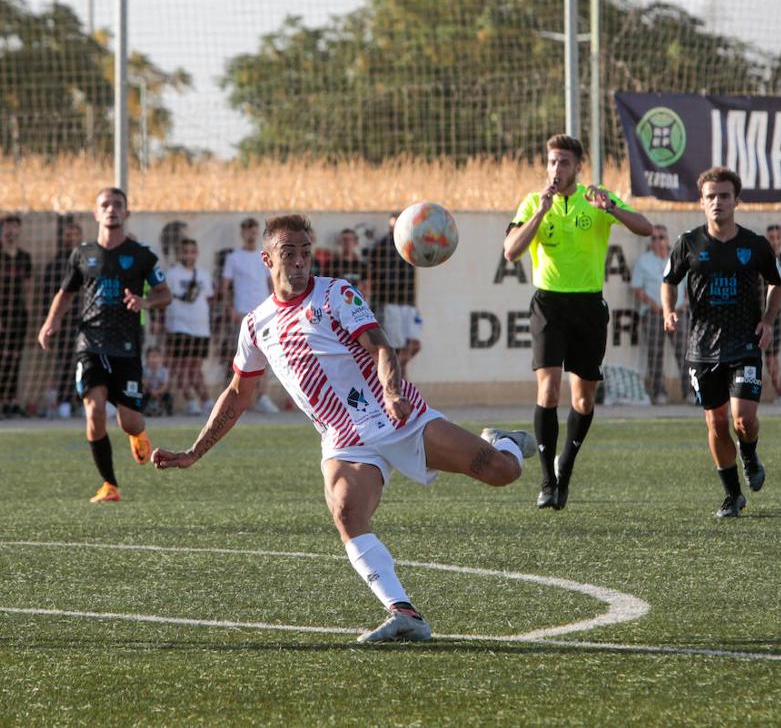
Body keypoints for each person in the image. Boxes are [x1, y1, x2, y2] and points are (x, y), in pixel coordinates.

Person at [151, 214, 535, 643]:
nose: (298, 263)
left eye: (304, 253)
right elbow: (239, 392)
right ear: (266, 259)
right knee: (347, 512)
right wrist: (195, 450)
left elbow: (380, 346)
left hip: (395, 420)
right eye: (287, 254)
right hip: (343, 440)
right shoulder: (255, 325)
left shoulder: (336, 294)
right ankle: (404, 612)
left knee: (502, 473)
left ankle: (505, 442)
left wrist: (391, 392)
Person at [503, 133, 653, 511]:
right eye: (552, 161)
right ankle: (547, 482)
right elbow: (510, 251)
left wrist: (612, 208)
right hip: (548, 305)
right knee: (549, 391)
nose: (557, 168)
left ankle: (564, 468)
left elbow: (645, 227)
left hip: (588, 306)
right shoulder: (534, 202)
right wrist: (540, 210)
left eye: (564, 162)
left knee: (583, 399)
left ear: (577, 166)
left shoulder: (595, 198)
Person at [37, 187, 171, 502]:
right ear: (96, 213)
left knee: (129, 420)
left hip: (126, 347)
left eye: (117, 205)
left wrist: (145, 302)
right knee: (94, 410)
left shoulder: (142, 255)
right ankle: (109, 484)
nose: (111, 209)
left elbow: (165, 294)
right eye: (105, 205)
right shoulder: (82, 254)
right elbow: (66, 292)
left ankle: (137, 433)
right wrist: (51, 322)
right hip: (90, 342)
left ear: (126, 213)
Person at [662, 167, 780, 518]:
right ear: (701, 202)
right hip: (702, 348)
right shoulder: (689, 243)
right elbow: (669, 280)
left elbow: (777, 282)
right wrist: (669, 310)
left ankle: (749, 452)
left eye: (724, 196)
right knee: (715, 423)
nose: (718, 202)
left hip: (744, 343)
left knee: (743, 419)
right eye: (711, 196)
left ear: (736, 201)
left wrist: (769, 321)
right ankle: (733, 496)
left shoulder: (755, 245)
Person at [221, 217, 280, 413]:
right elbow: (225, 286)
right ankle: (239, 399)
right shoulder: (233, 257)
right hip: (242, 315)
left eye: (254, 230)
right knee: (240, 359)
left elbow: (272, 285)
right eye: (247, 230)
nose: (251, 234)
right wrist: (230, 309)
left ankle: (262, 396)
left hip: (264, 315)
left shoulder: (263, 256)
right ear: (242, 233)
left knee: (266, 356)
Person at [0, 215, 34, 417]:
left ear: (19, 231)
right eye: (7, 228)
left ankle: (12, 402)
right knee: (0, 358)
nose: (11, 232)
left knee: (15, 358)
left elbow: (29, 289)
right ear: (1, 232)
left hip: (18, 315)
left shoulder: (24, 258)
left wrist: (29, 316)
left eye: (14, 228)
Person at [631, 224, 688, 405]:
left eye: (661, 237)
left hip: (678, 313)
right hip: (655, 313)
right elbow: (637, 288)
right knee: (655, 354)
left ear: (667, 239)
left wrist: (684, 304)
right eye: (654, 238)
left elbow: (689, 286)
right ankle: (659, 392)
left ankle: (690, 392)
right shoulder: (643, 261)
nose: (657, 241)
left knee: (685, 353)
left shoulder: (679, 258)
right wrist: (654, 305)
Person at [165, 237, 216, 415]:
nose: (188, 255)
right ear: (179, 253)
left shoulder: (203, 274)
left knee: (196, 367)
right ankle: (190, 400)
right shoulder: (171, 274)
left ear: (197, 253)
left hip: (201, 327)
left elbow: (209, 297)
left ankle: (206, 401)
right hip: (179, 325)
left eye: (192, 251)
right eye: (185, 251)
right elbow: (164, 298)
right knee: (180, 366)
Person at [367, 214, 423, 376]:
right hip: (391, 303)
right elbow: (375, 274)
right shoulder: (383, 246)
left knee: (415, 344)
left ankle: (394, 374)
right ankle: (399, 383)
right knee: (395, 347)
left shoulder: (411, 244)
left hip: (409, 303)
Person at [42, 217, 84, 419]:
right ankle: (65, 402)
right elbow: (47, 296)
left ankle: (84, 401)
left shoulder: (90, 263)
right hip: (64, 324)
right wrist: (50, 320)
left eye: (74, 234)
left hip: (86, 322)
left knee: (86, 363)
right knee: (65, 363)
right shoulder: (55, 265)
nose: (71, 238)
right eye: (68, 235)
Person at [762, 224, 781, 402]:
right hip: (770, 315)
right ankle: (780, 392)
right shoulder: (762, 261)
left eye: (778, 237)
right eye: (771, 237)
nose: (775, 241)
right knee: (771, 356)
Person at [326, 227, 371, 300]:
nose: (347, 242)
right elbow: (327, 288)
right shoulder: (332, 265)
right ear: (340, 242)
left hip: (357, 304)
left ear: (355, 242)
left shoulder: (362, 266)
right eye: (344, 240)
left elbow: (366, 289)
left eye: (350, 239)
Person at [142, 345, 173, 417]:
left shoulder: (164, 371)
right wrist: (151, 391)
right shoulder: (144, 370)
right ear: (147, 358)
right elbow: (143, 382)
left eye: (156, 357)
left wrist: (158, 392)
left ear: (160, 358)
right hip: (148, 392)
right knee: (141, 397)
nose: (153, 359)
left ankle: (169, 412)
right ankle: (142, 411)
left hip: (160, 392)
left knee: (169, 396)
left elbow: (165, 385)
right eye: (151, 357)